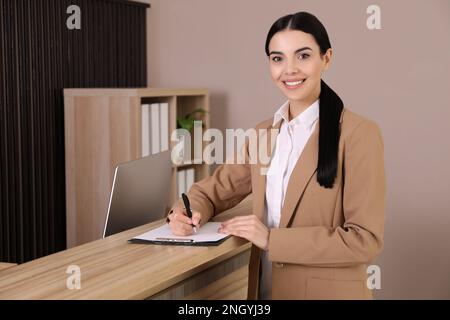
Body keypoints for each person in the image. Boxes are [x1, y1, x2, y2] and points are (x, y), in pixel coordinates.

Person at [166, 11, 386, 300]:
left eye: (303, 56)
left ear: (327, 58)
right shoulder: (263, 134)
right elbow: (214, 191)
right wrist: (184, 212)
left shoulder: (359, 134)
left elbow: (364, 240)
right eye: (277, 58)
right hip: (267, 290)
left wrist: (272, 239)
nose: (289, 69)